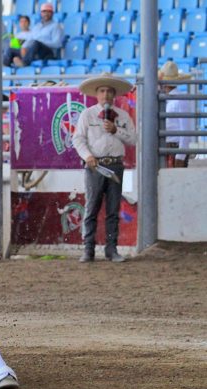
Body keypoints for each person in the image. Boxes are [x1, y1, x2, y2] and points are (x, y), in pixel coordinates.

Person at [72, 73, 137, 263]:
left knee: (113, 209)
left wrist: (117, 130)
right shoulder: (88, 114)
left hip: (115, 165)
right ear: (97, 94)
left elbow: (133, 138)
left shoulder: (123, 116)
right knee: (91, 207)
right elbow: (78, 139)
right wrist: (88, 156)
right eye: (102, 90)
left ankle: (111, 249)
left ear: (114, 94)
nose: (106, 94)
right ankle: (88, 249)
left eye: (109, 91)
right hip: (95, 165)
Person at [159, 61, 194, 168]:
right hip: (168, 146)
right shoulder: (168, 99)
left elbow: (185, 130)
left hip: (175, 147)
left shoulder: (179, 100)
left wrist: (180, 156)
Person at [5, 2, 63, 67]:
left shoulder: (56, 26)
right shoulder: (37, 26)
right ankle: (4, 68)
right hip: (34, 51)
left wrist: (40, 42)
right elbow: (30, 39)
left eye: (49, 11)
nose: (46, 13)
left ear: (52, 13)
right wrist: (23, 47)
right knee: (11, 49)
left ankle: (24, 63)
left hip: (48, 53)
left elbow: (57, 44)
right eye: (44, 11)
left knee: (36, 43)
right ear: (41, 13)